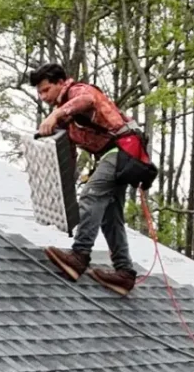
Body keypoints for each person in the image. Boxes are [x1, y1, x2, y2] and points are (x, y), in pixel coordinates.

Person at [26, 62, 157, 297]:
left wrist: (55, 114)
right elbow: (68, 155)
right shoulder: (65, 118)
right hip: (113, 156)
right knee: (109, 215)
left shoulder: (76, 91)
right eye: (39, 92)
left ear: (60, 83)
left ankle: (79, 255)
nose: (43, 96)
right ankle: (124, 272)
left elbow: (87, 100)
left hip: (122, 149)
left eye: (46, 90)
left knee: (91, 195)